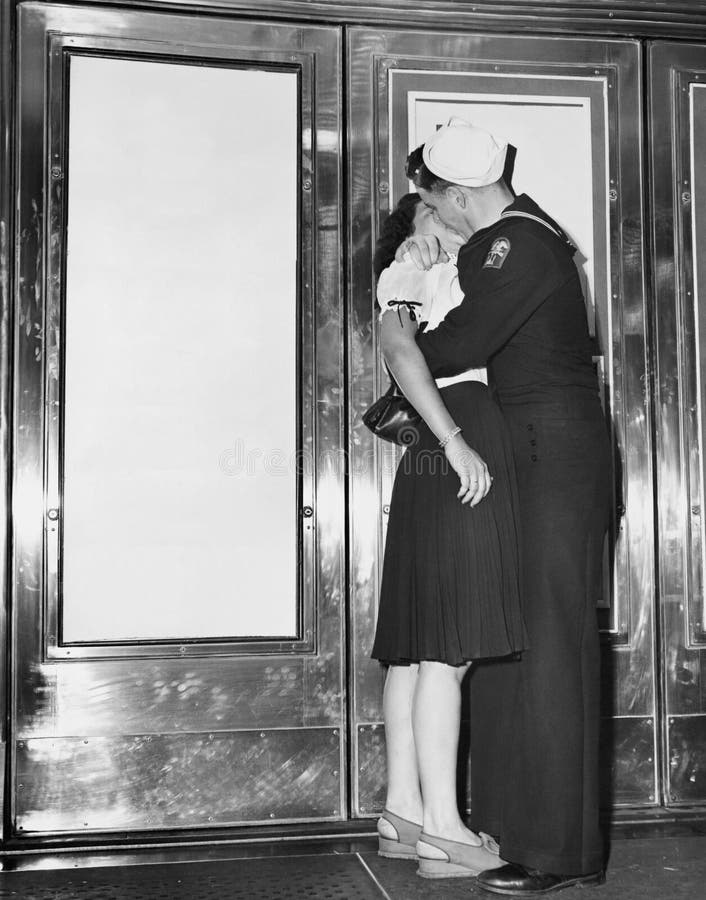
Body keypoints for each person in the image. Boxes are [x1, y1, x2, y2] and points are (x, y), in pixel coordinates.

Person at [400, 117, 611, 895]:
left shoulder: (518, 244)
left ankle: (559, 852)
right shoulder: (517, 240)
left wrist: (395, 304)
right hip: (520, 454)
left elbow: (456, 344)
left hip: (551, 460)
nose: (439, 221)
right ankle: (510, 827)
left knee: (549, 644)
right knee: (504, 638)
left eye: (437, 205)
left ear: (460, 194)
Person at [370, 192, 527, 878]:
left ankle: (404, 812)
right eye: (432, 212)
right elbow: (402, 356)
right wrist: (457, 440)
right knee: (448, 650)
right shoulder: (415, 269)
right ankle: (442, 829)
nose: (449, 219)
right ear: (414, 228)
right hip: (454, 428)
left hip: (433, 448)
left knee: (415, 648)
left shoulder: (427, 271)